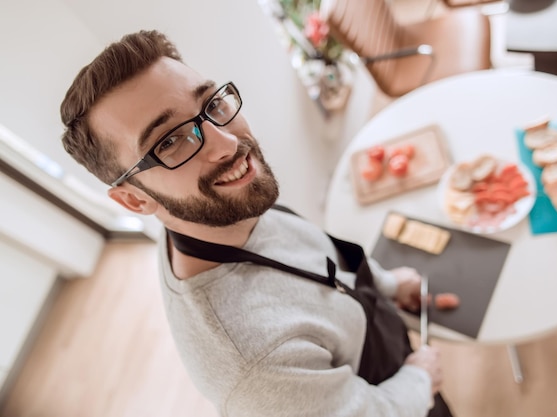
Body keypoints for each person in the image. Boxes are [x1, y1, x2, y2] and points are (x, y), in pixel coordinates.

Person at [60, 30, 453, 417]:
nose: (227, 144)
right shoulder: (251, 366)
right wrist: (419, 380)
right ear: (134, 199)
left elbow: (316, 257)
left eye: (211, 105)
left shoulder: (215, 210)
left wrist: (386, 284)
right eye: (168, 142)